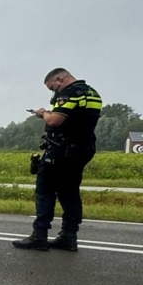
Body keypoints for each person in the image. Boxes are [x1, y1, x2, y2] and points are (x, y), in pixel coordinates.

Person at [13, 68, 102, 251]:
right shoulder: (93, 93)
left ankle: (39, 236)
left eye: (53, 87)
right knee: (70, 193)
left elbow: (54, 121)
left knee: (45, 190)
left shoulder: (69, 94)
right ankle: (69, 236)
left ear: (60, 78)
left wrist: (43, 113)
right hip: (82, 149)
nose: (55, 92)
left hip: (62, 150)